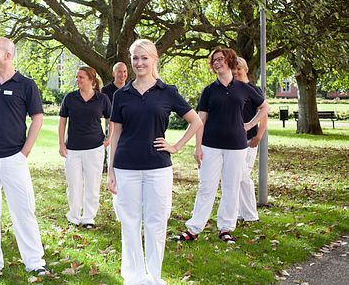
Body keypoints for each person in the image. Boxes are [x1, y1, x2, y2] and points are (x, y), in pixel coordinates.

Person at [107, 39, 202, 285]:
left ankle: (154, 277)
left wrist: (176, 146)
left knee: (156, 222)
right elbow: (115, 133)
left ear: (154, 59)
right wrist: (110, 171)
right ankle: (133, 277)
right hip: (126, 166)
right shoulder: (121, 95)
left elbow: (196, 121)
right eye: (135, 58)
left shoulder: (167, 92)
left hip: (158, 167)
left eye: (144, 58)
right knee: (129, 223)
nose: (139, 63)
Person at [0, 37, 49, 277]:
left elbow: (37, 118)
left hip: (14, 158)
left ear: (8, 55)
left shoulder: (26, 85)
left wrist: (25, 151)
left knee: (24, 211)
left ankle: (35, 262)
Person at [177, 48, 269, 244]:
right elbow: (200, 119)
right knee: (206, 187)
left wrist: (250, 124)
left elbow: (265, 107)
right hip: (211, 145)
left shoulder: (243, 88)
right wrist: (198, 147)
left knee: (231, 187)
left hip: (237, 146)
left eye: (220, 59)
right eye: (214, 60)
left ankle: (226, 228)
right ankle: (194, 228)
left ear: (229, 61)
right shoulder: (209, 91)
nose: (217, 62)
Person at [57, 66, 111, 229]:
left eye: (81, 77)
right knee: (74, 184)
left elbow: (111, 119)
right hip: (73, 148)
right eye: (77, 77)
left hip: (95, 148)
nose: (77, 80)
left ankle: (88, 217)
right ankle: (73, 215)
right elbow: (62, 121)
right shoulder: (70, 98)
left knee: (93, 184)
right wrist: (61, 143)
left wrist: (109, 138)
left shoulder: (102, 99)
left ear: (91, 80)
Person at [233, 57, 267, 223]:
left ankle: (249, 214)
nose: (236, 72)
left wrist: (258, 136)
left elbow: (264, 114)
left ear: (245, 69)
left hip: (250, 139)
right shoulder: (233, 90)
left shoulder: (254, 90)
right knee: (238, 177)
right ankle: (243, 213)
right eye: (233, 70)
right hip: (234, 141)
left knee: (242, 175)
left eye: (238, 69)